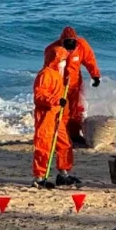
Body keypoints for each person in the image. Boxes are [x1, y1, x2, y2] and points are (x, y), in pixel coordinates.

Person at [32, 46, 80, 189]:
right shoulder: (45, 74)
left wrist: (63, 109)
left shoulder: (59, 74)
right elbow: (39, 96)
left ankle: (63, 174)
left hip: (57, 115)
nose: (64, 63)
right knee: (43, 146)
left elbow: (62, 96)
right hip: (45, 115)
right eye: (62, 60)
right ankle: (39, 177)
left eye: (65, 60)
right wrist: (55, 101)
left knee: (64, 144)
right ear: (55, 59)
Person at [45, 26, 101, 148]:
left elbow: (90, 60)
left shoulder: (82, 46)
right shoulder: (53, 50)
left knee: (76, 110)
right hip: (59, 86)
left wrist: (95, 75)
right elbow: (48, 70)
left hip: (75, 84)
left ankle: (75, 134)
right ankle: (63, 136)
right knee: (62, 111)